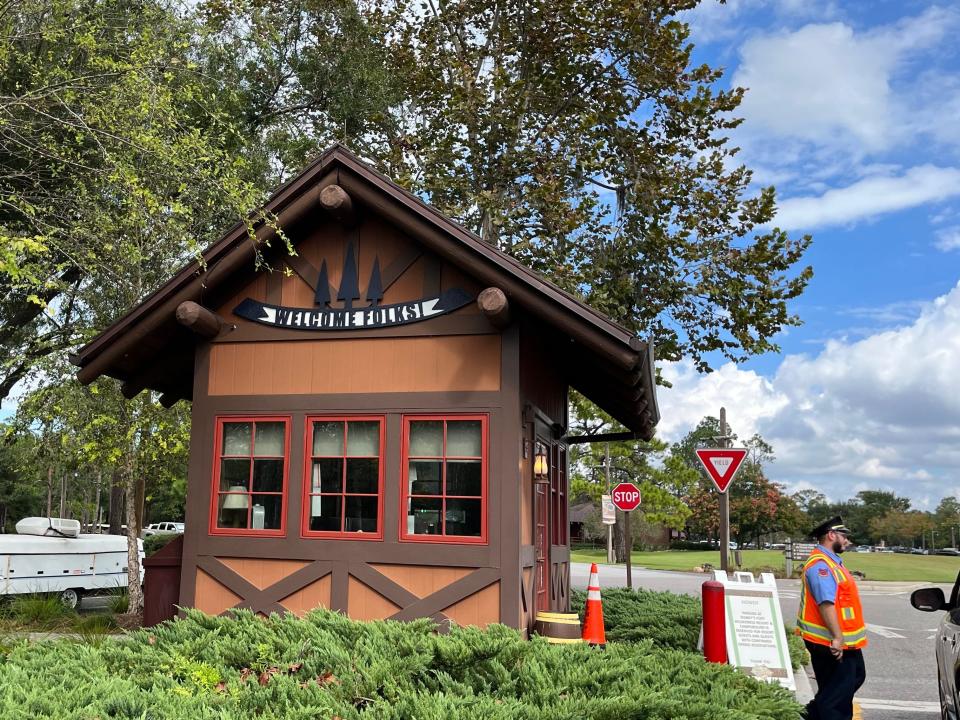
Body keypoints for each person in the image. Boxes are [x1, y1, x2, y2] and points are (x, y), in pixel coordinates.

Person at [796, 516, 867, 720]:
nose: (848, 541)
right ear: (831, 535)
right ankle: (817, 714)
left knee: (852, 679)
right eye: (844, 536)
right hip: (828, 640)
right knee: (837, 697)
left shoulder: (832, 562)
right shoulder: (821, 566)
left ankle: (812, 714)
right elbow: (825, 603)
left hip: (844, 640)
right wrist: (837, 638)